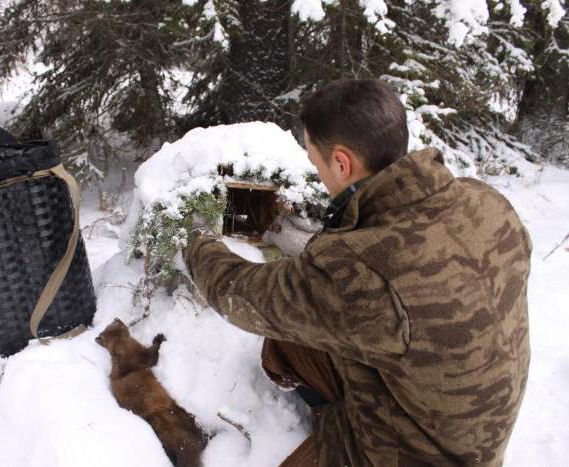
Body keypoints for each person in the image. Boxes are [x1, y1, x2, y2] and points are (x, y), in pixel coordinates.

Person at [183, 78, 531, 466]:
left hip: (411, 456)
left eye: (315, 161)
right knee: (289, 339)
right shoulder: (485, 202)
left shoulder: (361, 271)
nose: (317, 173)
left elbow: (239, 293)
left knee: (283, 332)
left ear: (343, 162)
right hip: (473, 433)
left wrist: (194, 237)